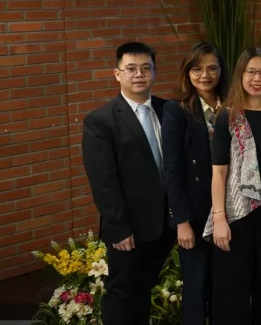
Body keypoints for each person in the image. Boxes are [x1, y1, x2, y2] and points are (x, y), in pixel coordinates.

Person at [81, 42, 174, 325]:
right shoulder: (101, 121)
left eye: (146, 68)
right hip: (128, 229)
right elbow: (103, 181)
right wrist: (119, 228)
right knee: (122, 294)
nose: (139, 74)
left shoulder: (169, 110)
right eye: (131, 69)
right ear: (117, 74)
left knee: (143, 291)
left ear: (155, 72)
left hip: (165, 225)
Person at [204, 47, 261, 325]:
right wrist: (219, 218)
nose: (257, 78)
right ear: (240, 75)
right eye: (251, 72)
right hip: (236, 218)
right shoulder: (228, 116)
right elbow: (218, 173)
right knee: (232, 294)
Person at [162, 41, 228, 325]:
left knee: (225, 286)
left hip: (231, 209)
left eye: (212, 68)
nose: (205, 75)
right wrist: (182, 220)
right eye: (197, 69)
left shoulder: (232, 106)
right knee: (196, 286)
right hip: (196, 213)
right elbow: (172, 169)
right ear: (187, 72)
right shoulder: (177, 110)